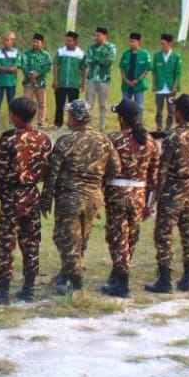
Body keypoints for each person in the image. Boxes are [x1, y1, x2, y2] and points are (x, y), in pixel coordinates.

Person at [43, 100, 117, 294]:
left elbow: (52, 173)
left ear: (75, 118)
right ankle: (69, 272)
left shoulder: (66, 141)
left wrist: (46, 199)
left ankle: (73, 281)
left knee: (65, 238)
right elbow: (115, 169)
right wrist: (98, 184)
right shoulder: (104, 140)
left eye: (69, 115)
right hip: (93, 196)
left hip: (70, 197)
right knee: (82, 237)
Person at [0, 97, 52, 304]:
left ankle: (3, 290)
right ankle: (29, 288)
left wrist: (3, 194)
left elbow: (0, 172)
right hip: (32, 195)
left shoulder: (9, 140)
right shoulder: (44, 139)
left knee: (6, 243)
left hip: (11, 196)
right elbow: (46, 170)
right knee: (31, 242)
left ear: (15, 116)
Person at [147, 94, 189, 293]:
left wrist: (155, 195)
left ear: (179, 113)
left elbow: (163, 168)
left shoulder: (173, 137)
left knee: (164, 234)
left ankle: (165, 279)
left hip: (172, 190)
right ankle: (188, 277)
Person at [102, 100, 158, 298]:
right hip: (140, 195)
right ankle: (118, 275)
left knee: (117, 237)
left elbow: (105, 169)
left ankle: (122, 282)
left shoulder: (114, 139)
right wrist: (150, 204)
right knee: (131, 237)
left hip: (117, 194)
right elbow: (154, 177)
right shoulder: (150, 141)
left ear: (121, 118)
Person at [85, 27, 117, 131]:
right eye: (95, 35)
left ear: (104, 36)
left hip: (104, 79)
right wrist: (100, 60)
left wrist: (97, 59)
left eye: (98, 35)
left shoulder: (111, 47)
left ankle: (102, 126)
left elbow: (109, 61)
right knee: (89, 103)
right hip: (91, 78)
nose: (96, 37)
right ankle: (88, 124)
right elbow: (88, 60)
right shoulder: (91, 47)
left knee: (103, 104)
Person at [53, 32, 85, 129]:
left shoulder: (80, 54)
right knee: (59, 104)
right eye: (66, 40)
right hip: (61, 83)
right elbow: (55, 65)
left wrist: (83, 82)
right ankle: (58, 124)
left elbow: (83, 68)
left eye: (69, 41)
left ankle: (72, 124)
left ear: (75, 42)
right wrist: (55, 80)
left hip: (74, 84)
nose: (67, 42)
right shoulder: (60, 52)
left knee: (73, 106)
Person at [0, 32, 22, 128]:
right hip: (0, 82)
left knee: (11, 103)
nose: (7, 42)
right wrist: (9, 69)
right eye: (5, 40)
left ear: (13, 41)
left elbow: (16, 67)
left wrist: (4, 68)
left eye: (9, 40)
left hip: (11, 82)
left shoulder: (17, 52)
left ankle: (12, 122)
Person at [22, 33, 52, 126]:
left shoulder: (45, 55)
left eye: (38, 42)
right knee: (27, 103)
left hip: (41, 83)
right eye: (34, 42)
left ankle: (41, 122)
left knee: (42, 103)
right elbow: (23, 65)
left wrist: (38, 73)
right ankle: (26, 121)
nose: (35, 44)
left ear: (42, 43)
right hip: (28, 82)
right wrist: (30, 75)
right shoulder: (26, 53)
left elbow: (48, 67)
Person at [152, 34, 181, 131]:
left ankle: (168, 127)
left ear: (169, 44)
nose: (162, 46)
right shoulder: (157, 56)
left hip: (170, 87)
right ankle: (159, 126)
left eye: (163, 44)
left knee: (171, 109)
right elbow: (154, 72)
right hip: (159, 87)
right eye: (161, 44)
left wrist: (175, 86)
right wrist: (154, 84)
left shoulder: (176, 57)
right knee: (159, 109)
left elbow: (177, 73)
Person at [118, 32, 151, 111]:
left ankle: (138, 122)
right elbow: (121, 68)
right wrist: (126, 80)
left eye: (133, 41)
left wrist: (137, 80)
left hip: (138, 85)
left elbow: (146, 70)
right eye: (130, 41)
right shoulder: (126, 54)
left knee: (139, 107)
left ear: (138, 42)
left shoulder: (145, 54)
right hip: (126, 85)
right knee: (125, 106)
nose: (130, 43)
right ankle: (125, 122)